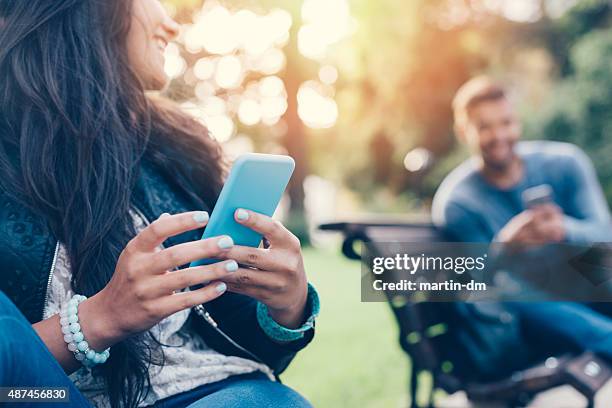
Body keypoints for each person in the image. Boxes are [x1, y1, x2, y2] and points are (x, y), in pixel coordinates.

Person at [0, 1, 318, 407]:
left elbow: (249, 345)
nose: (171, 25)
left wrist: (287, 308)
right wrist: (99, 319)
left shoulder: (175, 151)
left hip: (212, 391)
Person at [432, 75, 612, 364]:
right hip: (533, 321)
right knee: (505, 286)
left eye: (506, 122)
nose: (499, 136)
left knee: (598, 257)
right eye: (484, 127)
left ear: (518, 121)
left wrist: (564, 229)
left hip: (589, 289)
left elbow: (605, 233)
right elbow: (475, 285)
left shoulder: (566, 162)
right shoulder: (458, 202)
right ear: (463, 131)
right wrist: (504, 246)